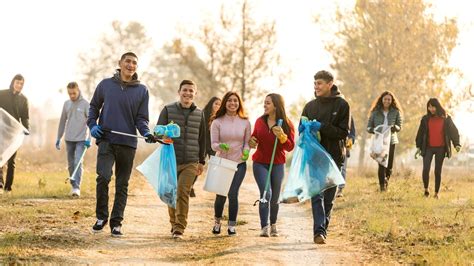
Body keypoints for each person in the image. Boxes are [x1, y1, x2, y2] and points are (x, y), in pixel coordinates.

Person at [87, 52, 157, 237]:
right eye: (127, 61)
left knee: (122, 184)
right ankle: (101, 217)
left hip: (128, 143)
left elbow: (141, 118)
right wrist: (93, 125)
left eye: (134, 62)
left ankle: (116, 223)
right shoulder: (105, 85)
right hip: (106, 140)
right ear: (120, 63)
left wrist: (146, 133)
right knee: (103, 177)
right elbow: (93, 107)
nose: (131, 65)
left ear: (136, 67)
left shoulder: (142, 90)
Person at [299, 70, 350, 244]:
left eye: (319, 83)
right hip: (314, 156)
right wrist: (303, 129)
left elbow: (343, 132)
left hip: (334, 156)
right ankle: (319, 231)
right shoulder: (309, 106)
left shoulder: (342, 105)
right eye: (315, 83)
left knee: (329, 197)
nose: (316, 87)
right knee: (317, 194)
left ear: (330, 84)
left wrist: (322, 126)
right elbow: (301, 126)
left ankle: (323, 229)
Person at [156, 79, 206, 239]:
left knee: (183, 192)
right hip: (170, 159)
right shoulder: (168, 110)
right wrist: (165, 133)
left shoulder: (200, 114)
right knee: (170, 193)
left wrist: (201, 162)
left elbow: (203, 139)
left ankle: (179, 227)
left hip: (191, 161)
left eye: (191, 91)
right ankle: (173, 223)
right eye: (185, 90)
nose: (188, 93)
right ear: (179, 92)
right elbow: (157, 132)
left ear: (195, 94)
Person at [249, 93, 295, 237]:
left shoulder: (287, 124)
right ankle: (264, 227)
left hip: (277, 164)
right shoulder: (259, 121)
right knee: (265, 193)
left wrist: (282, 136)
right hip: (260, 163)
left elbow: (290, 147)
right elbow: (254, 138)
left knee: (275, 198)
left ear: (276, 105)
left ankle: (273, 224)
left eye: (268, 103)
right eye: (264, 103)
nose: (265, 105)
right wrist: (251, 141)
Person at [210, 92, 251, 236]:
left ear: (239, 103)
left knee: (233, 194)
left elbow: (247, 143)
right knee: (221, 194)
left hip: (239, 163)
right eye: (229, 101)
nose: (232, 103)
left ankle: (232, 225)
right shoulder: (217, 121)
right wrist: (221, 146)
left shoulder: (245, 121)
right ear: (224, 103)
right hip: (222, 162)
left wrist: (246, 152)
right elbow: (213, 144)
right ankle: (217, 222)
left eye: (235, 101)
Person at [415, 98, 461, 199]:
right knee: (426, 168)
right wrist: (418, 147)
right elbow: (420, 133)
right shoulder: (425, 119)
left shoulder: (446, 118)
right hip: (428, 148)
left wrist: (456, 144)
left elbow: (453, 131)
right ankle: (426, 190)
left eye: (433, 106)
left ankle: (436, 193)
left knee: (437, 171)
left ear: (437, 106)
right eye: (429, 106)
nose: (431, 109)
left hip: (441, 148)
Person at [56, 82, 91, 197]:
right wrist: (58, 137)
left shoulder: (85, 104)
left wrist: (89, 138)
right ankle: (73, 185)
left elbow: (91, 122)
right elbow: (62, 122)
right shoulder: (66, 104)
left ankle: (77, 188)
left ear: (78, 90)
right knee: (71, 164)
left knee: (77, 161)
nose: (72, 96)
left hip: (81, 139)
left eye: (74, 93)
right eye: (69, 93)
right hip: (69, 139)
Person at [367, 91, 403, 191]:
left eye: (389, 99)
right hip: (379, 141)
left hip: (391, 141)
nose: (387, 101)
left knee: (389, 164)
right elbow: (369, 126)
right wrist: (372, 129)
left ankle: (386, 179)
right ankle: (382, 186)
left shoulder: (396, 112)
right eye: (385, 99)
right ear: (381, 100)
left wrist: (394, 127)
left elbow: (399, 126)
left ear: (392, 101)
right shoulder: (375, 112)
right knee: (381, 163)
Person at [0, 74, 29, 193]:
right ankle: (0, 185)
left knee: (11, 161)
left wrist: (26, 129)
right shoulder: (2, 94)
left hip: (14, 134)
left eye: (21, 84)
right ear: (13, 83)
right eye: (17, 83)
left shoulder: (24, 100)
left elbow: (25, 117)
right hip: (1, 131)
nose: (19, 85)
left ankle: (8, 187)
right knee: (0, 157)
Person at [190, 96, 221, 198]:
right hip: (202, 144)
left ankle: (216, 188)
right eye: (216, 103)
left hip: (213, 145)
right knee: (198, 166)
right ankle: (190, 186)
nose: (217, 106)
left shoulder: (220, 117)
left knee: (216, 166)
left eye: (220, 104)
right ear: (211, 104)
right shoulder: (203, 114)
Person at [337, 117, 356, 198]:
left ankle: (340, 189)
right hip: (332, 144)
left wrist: (349, 143)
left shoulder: (349, 116)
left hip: (344, 146)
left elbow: (352, 133)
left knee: (342, 168)